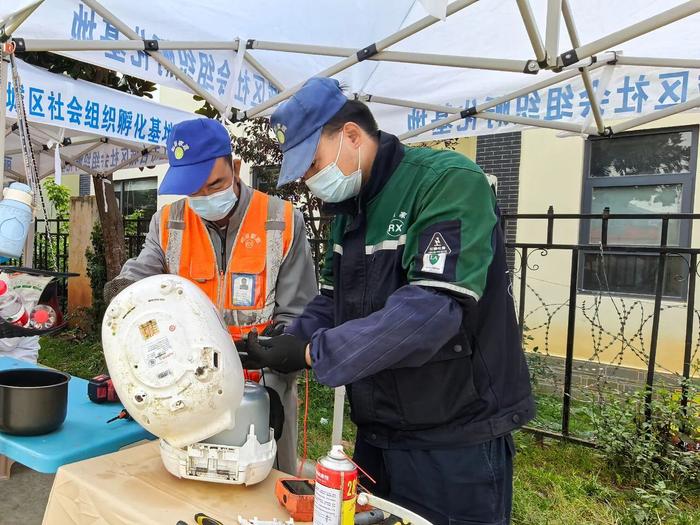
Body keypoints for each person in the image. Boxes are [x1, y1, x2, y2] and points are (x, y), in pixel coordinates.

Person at [246, 78, 534, 525]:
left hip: (455, 439)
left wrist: (312, 352)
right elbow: (332, 301)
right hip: (379, 434)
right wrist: (286, 339)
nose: (308, 178)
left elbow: (432, 309)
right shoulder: (351, 213)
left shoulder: (448, 184)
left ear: (352, 136)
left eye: (312, 163)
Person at [104, 118, 318, 474]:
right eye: (194, 189)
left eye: (215, 184)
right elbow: (141, 275)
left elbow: (299, 312)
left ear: (235, 168)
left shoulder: (281, 220)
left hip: (264, 385)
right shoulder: (169, 221)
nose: (205, 198)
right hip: (192, 385)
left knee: (265, 480)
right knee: (193, 481)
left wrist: (283, 350)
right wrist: (121, 294)